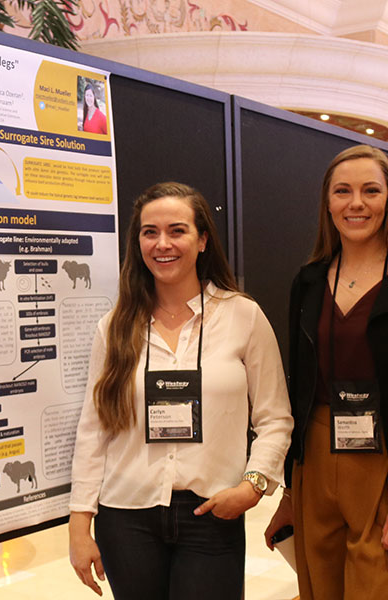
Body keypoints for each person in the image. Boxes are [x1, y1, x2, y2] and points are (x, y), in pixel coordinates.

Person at [68, 182, 292, 599]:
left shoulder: (243, 316)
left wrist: (252, 486)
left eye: (177, 230)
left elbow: (275, 418)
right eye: (149, 232)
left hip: (211, 513)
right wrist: (79, 524)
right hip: (126, 516)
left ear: (203, 239)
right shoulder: (115, 326)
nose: (162, 243)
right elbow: (94, 428)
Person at [264, 144, 388, 599]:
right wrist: (291, 495)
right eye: (343, 191)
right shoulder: (309, 280)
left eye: (371, 190)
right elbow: (300, 391)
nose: (356, 203)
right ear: (327, 202)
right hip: (316, 462)